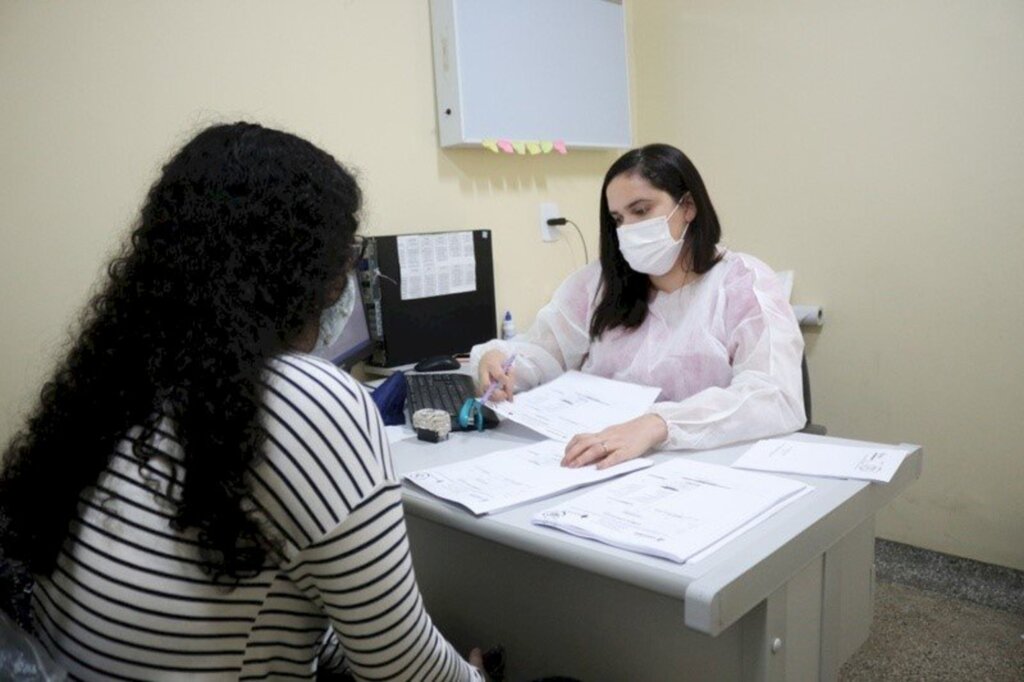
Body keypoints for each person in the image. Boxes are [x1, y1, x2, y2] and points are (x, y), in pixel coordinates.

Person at [0, 123, 484, 681]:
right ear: (307, 274)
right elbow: (403, 669)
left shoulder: (119, 373)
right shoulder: (309, 400)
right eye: (345, 259)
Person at [472, 143, 805, 469]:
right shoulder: (600, 282)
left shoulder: (742, 282)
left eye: (642, 211)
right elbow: (545, 350)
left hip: (705, 467)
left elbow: (774, 396)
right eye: (618, 218)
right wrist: (499, 360)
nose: (628, 229)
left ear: (688, 206)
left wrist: (657, 425)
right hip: (597, 460)